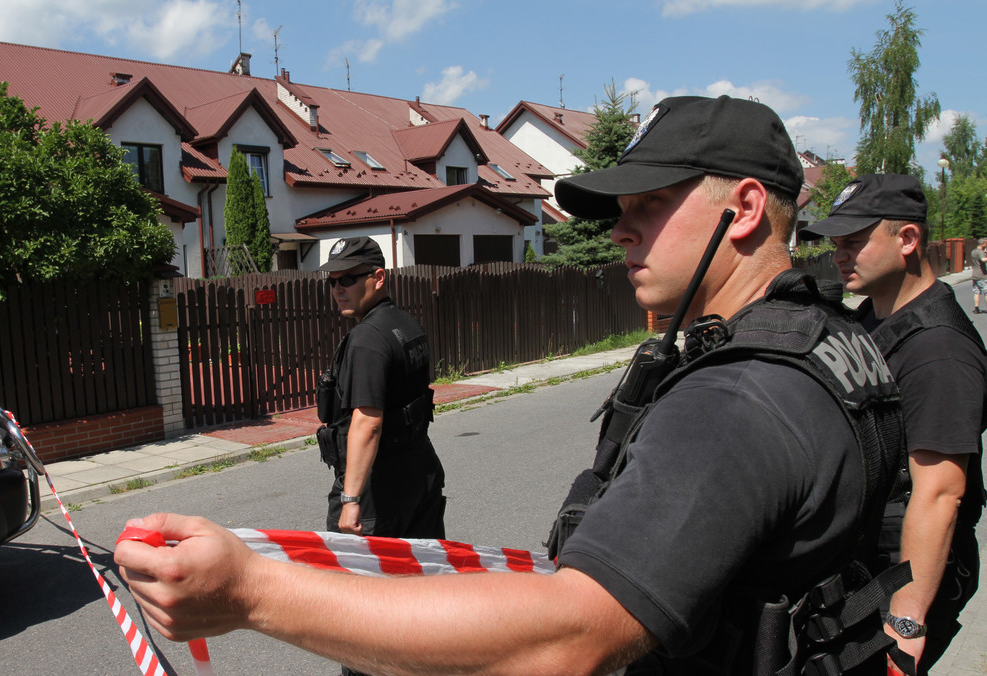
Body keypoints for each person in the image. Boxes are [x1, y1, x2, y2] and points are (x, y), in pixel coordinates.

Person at [116, 96, 904, 675]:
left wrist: (252, 593)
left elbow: (571, 636)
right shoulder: (833, 339)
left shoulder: (736, 400)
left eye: (652, 206)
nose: (621, 231)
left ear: (744, 209)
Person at [800, 174, 986, 676]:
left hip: (898, 578)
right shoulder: (872, 319)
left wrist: (905, 626)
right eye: (835, 243)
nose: (839, 254)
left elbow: (941, 492)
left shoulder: (938, 350)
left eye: (854, 242)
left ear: (907, 239)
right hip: (861, 562)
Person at [313, 235, 446, 542]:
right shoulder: (405, 324)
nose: (338, 290)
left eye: (347, 278)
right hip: (419, 475)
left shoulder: (368, 338)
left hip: (378, 494)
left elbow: (368, 422)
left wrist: (350, 500)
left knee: (362, 586)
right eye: (331, 282)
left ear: (378, 278)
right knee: (421, 580)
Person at [970, 238, 987, 314]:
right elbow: (983, 259)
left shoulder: (973, 251)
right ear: (983, 243)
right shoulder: (981, 252)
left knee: (976, 292)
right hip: (982, 275)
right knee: (986, 292)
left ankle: (976, 308)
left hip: (975, 274)